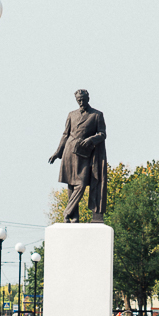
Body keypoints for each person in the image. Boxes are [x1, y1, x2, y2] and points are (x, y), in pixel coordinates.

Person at [48, 89, 108, 223]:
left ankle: (67, 211)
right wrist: (57, 152)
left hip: (84, 154)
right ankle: (74, 217)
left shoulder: (97, 115)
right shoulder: (71, 114)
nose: (81, 102)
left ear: (88, 99)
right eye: (78, 100)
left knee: (80, 184)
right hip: (69, 151)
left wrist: (92, 139)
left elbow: (103, 134)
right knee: (71, 184)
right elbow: (65, 134)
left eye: (83, 99)